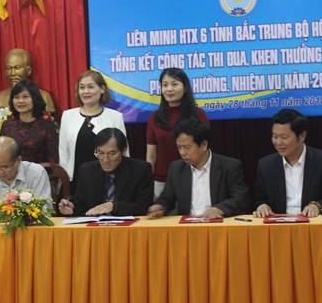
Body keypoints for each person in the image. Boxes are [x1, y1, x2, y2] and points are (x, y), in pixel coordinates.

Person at [253, 109, 322, 268]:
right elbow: (259, 198)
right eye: (275, 136)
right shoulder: (266, 165)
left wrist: (318, 206)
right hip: (278, 236)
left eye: (284, 137)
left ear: (302, 136)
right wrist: (261, 206)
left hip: (314, 236)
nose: (278, 142)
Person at [148, 118, 249, 219]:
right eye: (179, 147)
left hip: (217, 223)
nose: (182, 153)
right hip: (187, 225)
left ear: (203, 145)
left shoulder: (229, 166)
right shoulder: (176, 168)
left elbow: (241, 199)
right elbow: (166, 199)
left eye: (187, 147)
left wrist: (219, 209)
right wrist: (159, 207)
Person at [59, 70, 128, 193]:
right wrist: (64, 180)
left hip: (108, 181)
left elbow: (124, 151)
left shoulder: (115, 116)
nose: (85, 91)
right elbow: (63, 152)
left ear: (102, 89)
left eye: (90, 87)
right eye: (82, 87)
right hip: (76, 180)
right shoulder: (67, 116)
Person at [58, 128, 152, 216]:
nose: (105, 160)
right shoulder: (86, 171)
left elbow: (143, 207)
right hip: (95, 226)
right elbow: (81, 205)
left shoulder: (141, 170)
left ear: (123, 151)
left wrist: (114, 206)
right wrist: (71, 208)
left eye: (112, 154)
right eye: (100, 153)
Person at [146, 68, 208, 198]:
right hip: (161, 181)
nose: (169, 89)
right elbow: (151, 155)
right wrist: (147, 181)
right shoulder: (154, 117)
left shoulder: (198, 115)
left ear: (185, 88)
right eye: (165, 85)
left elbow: (205, 151)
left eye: (174, 84)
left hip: (193, 177)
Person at [0, 80, 58, 163]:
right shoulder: (7, 126)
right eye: (16, 97)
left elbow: (54, 160)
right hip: (12, 171)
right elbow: (2, 155)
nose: (20, 101)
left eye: (25, 97)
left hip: (39, 170)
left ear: (35, 99)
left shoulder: (47, 126)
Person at [0, 48, 55, 112]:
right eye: (9, 68)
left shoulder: (43, 97)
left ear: (29, 70)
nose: (12, 73)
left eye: (17, 68)